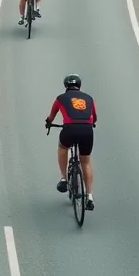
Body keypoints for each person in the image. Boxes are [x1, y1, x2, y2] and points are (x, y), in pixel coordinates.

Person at [46, 74, 95, 210]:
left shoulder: (60, 99)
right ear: (79, 86)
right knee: (85, 162)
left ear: (65, 86)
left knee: (62, 147)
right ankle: (89, 195)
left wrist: (48, 123)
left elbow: (51, 116)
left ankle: (64, 179)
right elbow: (94, 117)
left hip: (70, 129)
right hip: (87, 131)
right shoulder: (89, 98)